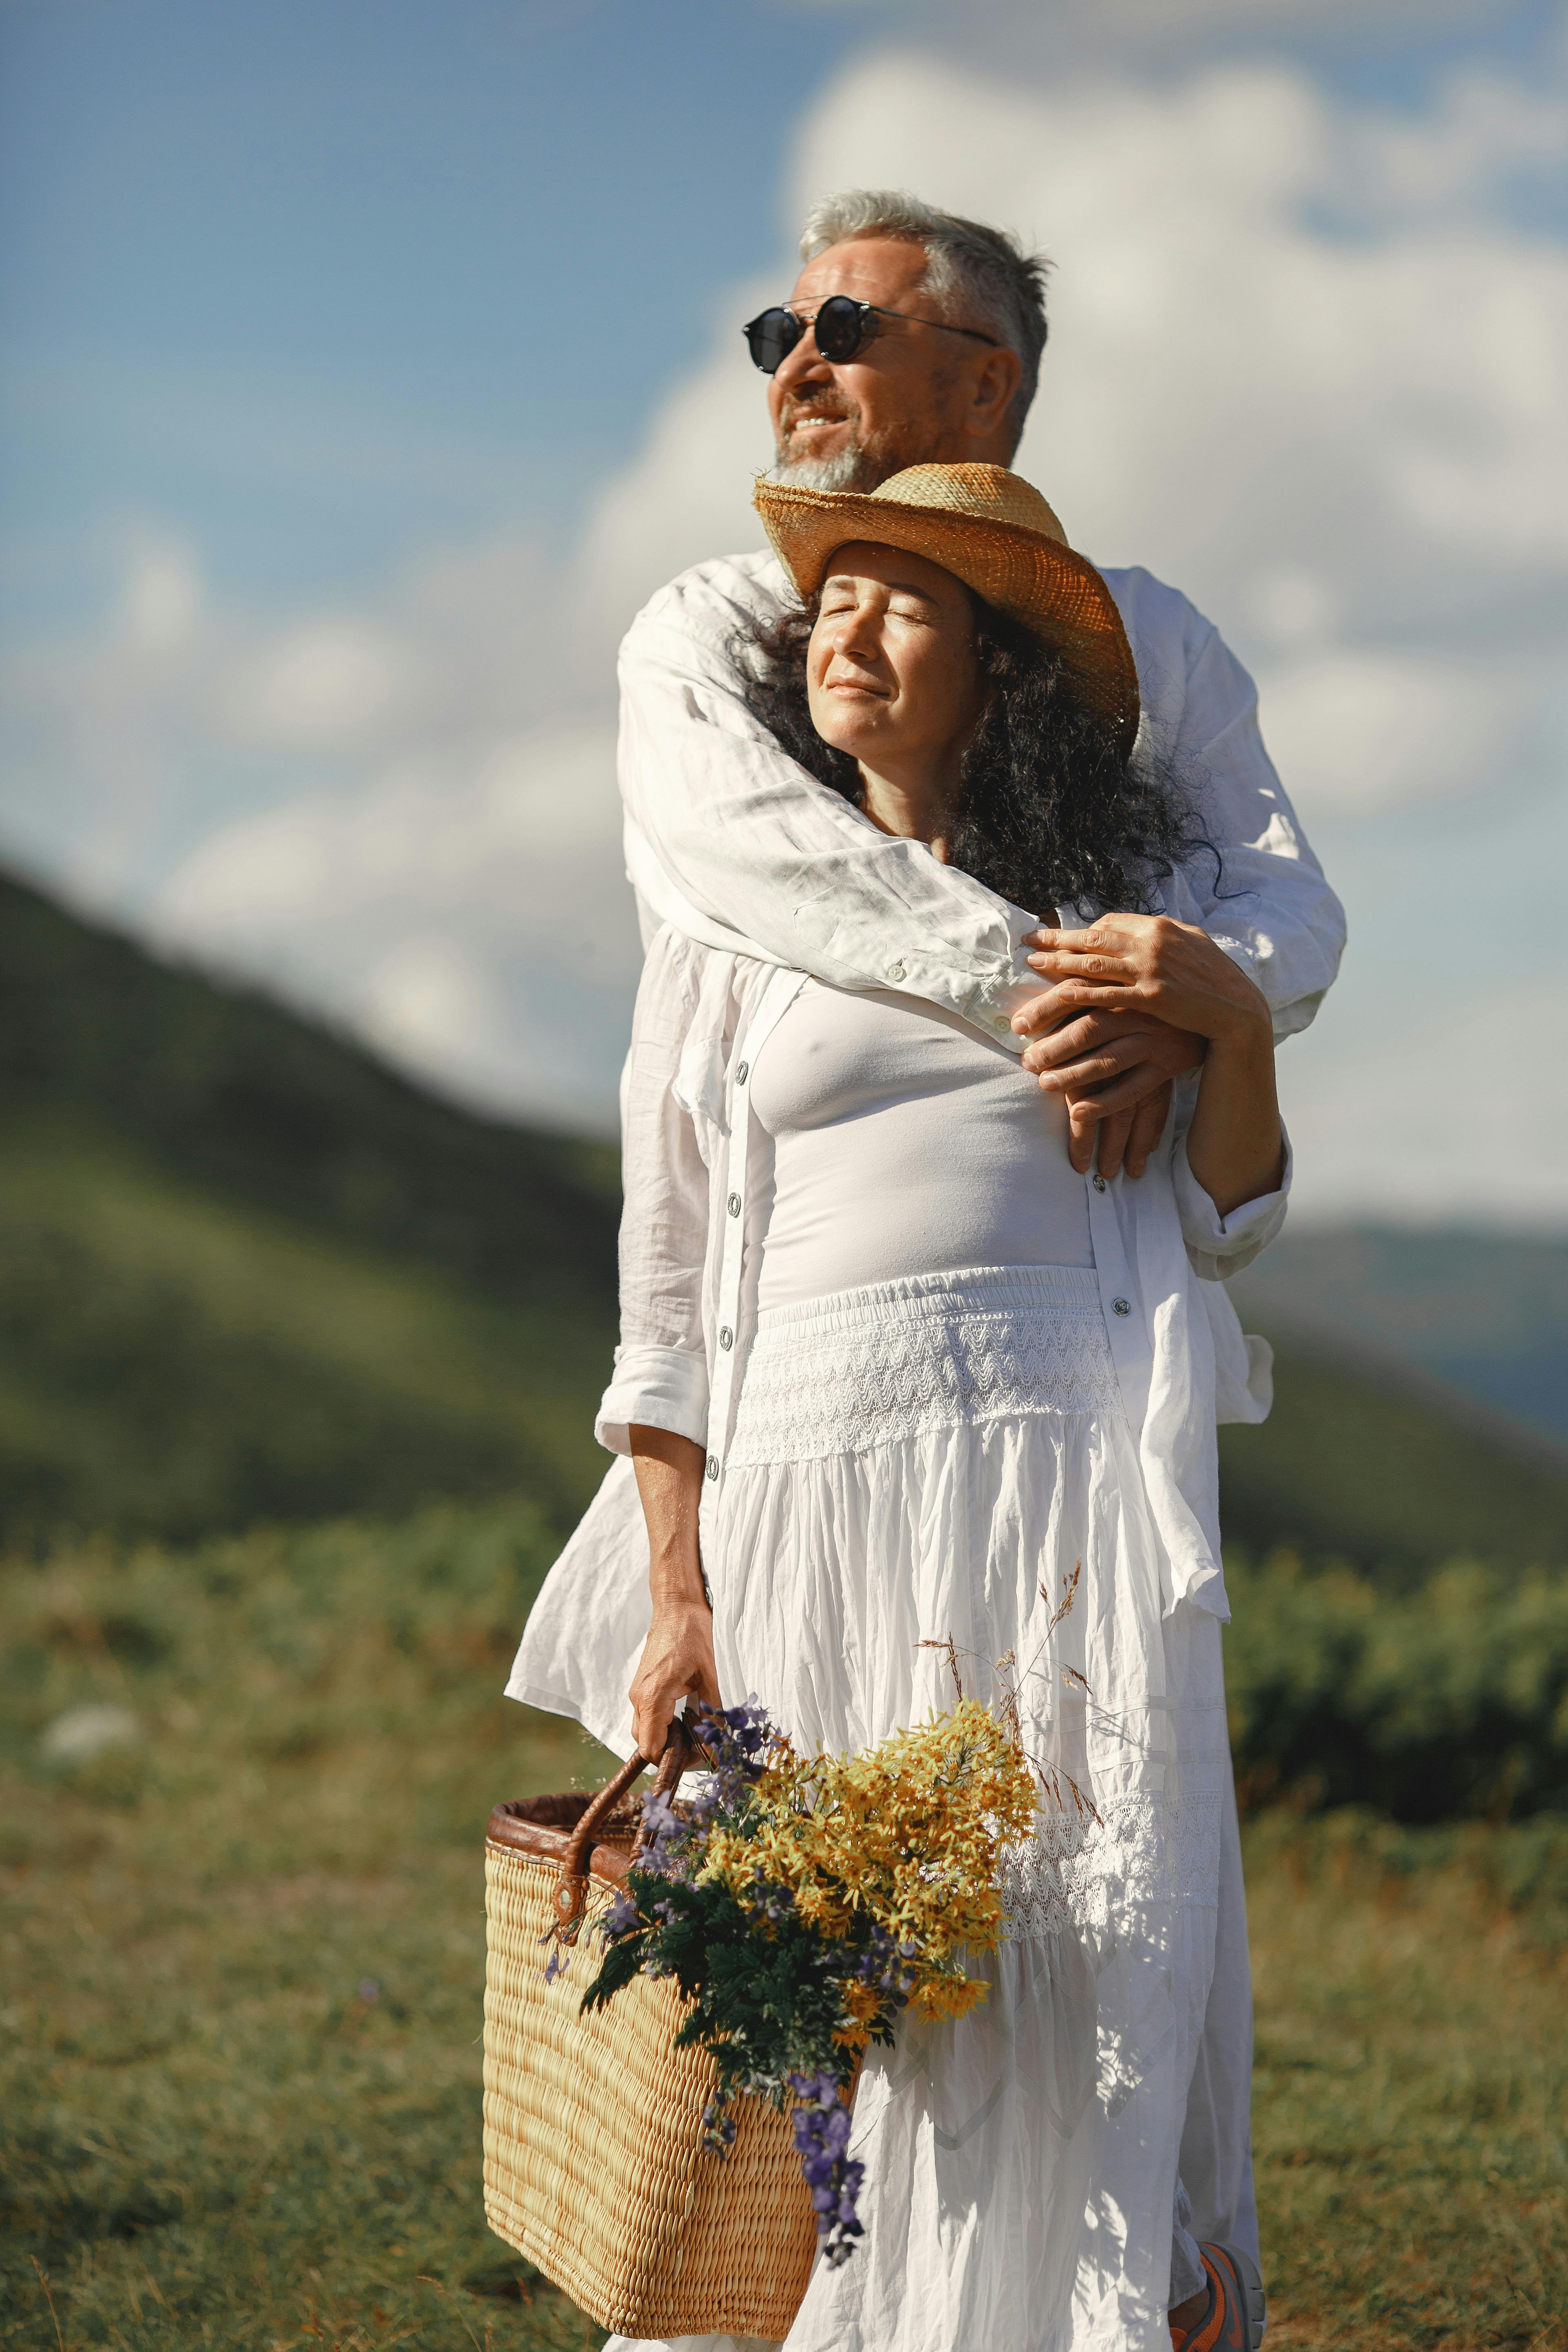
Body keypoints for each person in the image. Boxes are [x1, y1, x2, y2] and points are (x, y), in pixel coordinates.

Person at [512, 191, 1341, 2348]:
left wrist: (1208, 997)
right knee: (837, 2004)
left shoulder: (1147, 684)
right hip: (807, 1491)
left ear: (983, 373)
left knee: (1082, 1957)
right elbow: (675, 1248)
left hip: (1059, 1475)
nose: (789, 352)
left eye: (844, 321)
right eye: (771, 318)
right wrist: (679, 1580)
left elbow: (1264, 1015)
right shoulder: (709, 641)